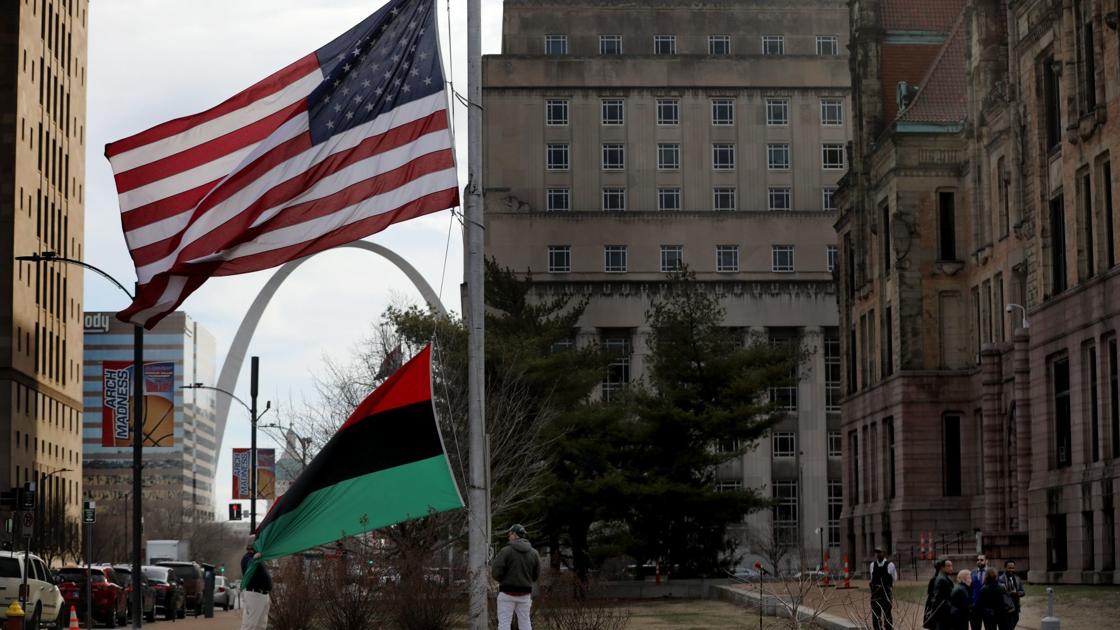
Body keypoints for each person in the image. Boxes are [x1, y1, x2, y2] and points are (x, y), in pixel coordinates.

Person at [491, 524, 541, 630]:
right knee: (525, 622)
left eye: (510, 534)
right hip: (525, 593)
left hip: (507, 592)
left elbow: (496, 572)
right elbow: (536, 574)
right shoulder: (534, 553)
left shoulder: (506, 551)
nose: (509, 536)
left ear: (514, 534)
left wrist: (502, 580)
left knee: (504, 623)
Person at [240, 537, 272, 630]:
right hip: (254, 594)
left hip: (262, 595)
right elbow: (249, 566)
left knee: (261, 626)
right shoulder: (247, 558)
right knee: (250, 625)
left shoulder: (258, 558)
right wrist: (254, 559)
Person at [869, 547, 898, 630]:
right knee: (875, 616)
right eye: (877, 552)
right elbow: (872, 579)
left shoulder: (890, 565)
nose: (878, 554)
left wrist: (888, 588)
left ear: (884, 553)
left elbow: (894, 578)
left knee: (887, 615)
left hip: (886, 594)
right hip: (875, 594)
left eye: (880, 552)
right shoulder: (872, 565)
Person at [924, 558, 954, 630]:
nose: (951, 568)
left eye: (951, 566)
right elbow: (935, 597)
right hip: (942, 613)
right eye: (949, 566)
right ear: (942, 568)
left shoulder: (944, 578)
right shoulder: (940, 579)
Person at [996, 561, 1025, 630]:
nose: (1011, 570)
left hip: (1015, 607)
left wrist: (1018, 593)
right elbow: (999, 593)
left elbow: (1023, 592)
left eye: (1013, 568)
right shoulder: (1000, 579)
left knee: (1012, 625)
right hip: (1005, 609)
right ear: (1005, 568)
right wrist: (1010, 593)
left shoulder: (1017, 579)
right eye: (1009, 568)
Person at [969, 555, 988, 630]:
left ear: (986, 561)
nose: (979, 561)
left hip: (987, 606)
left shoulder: (991, 572)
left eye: (981, 560)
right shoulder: (972, 573)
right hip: (975, 607)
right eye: (978, 560)